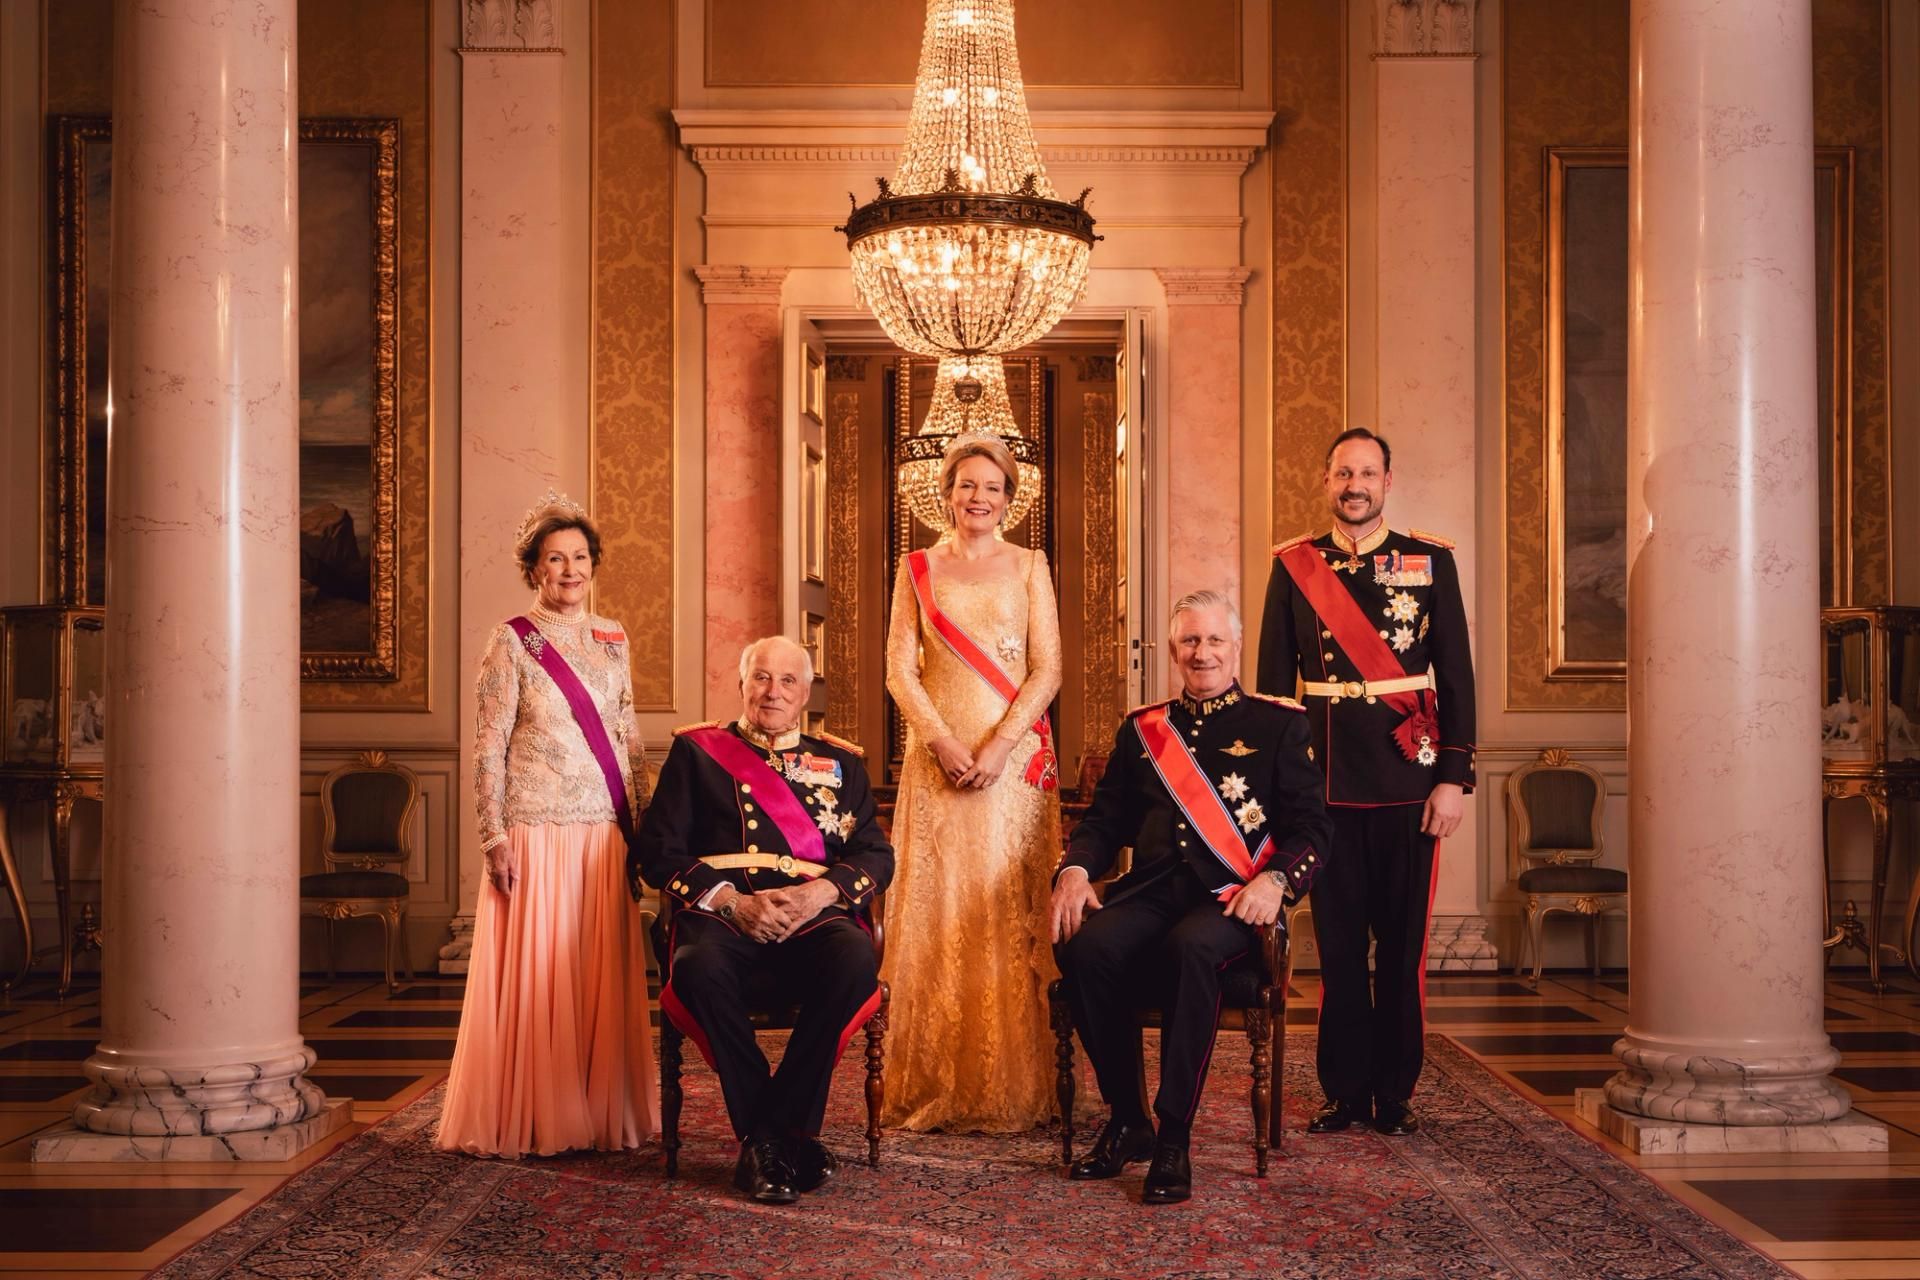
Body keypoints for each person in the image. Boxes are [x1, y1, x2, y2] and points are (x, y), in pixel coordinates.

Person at [1052, 590, 1330, 1205]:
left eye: (1214, 641)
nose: (1201, 653)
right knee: (1087, 949)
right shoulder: (1143, 730)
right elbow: (1104, 822)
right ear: (1174, 651)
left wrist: (1276, 880)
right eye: (1190, 642)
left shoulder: (1279, 724)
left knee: (1191, 950)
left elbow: (1313, 826)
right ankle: (1129, 1122)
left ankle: (1174, 1134)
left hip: (1233, 900)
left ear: (1235, 649)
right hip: (1152, 891)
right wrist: (1074, 870)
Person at [1256, 427, 1477, 1138]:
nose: (1355, 484)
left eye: (1368, 472)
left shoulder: (1430, 561)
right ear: (1326, 481)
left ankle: (1395, 1090)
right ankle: (1345, 1091)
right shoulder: (1294, 566)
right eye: (1344, 472)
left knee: (1403, 948)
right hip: (1324, 787)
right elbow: (1271, 692)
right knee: (1340, 946)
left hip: (1409, 783)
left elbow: (1458, 678)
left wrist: (1455, 777)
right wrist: (1280, 793)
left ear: (1388, 480)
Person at [631, 635, 893, 1205]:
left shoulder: (843, 764)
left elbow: (875, 854)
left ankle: (767, 1135)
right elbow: (659, 852)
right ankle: (784, 1139)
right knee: (696, 967)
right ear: (743, 683)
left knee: (854, 960)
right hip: (724, 916)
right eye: (762, 679)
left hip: (809, 914)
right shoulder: (697, 753)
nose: (773, 693)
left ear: (806, 694)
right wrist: (731, 902)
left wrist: (822, 892)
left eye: (788, 682)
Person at [439, 490, 659, 1157]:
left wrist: (642, 827)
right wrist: (493, 836)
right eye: (555, 559)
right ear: (532, 569)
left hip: (603, 834)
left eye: (581, 558)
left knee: (593, 976)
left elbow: (628, 734)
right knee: (541, 980)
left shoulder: (614, 637)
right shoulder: (510, 641)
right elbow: (487, 744)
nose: (570, 571)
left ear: (595, 565)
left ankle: (599, 1110)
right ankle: (537, 1115)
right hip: (534, 832)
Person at [881, 434, 1064, 1131]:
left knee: (1000, 909)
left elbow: (1047, 668)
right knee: (941, 909)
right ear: (946, 493)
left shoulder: (1029, 565)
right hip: (938, 763)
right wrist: (944, 742)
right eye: (966, 486)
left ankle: (1007, 1086)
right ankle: (933, 1081)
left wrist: (998, 747)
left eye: (992, 487)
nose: (978, 498)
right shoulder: (918, 567)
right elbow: (901, 669)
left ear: (1010, 499)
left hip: (1012, 769)